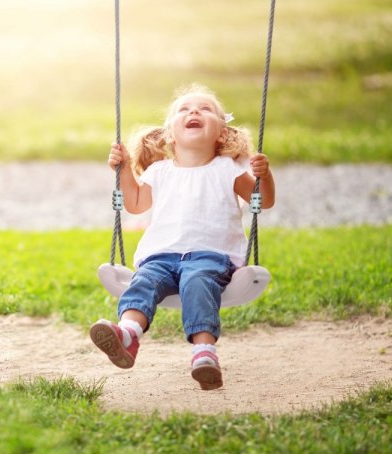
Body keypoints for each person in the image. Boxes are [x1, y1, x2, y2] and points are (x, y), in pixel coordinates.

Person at [90, 84, 275, 390]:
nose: (194, 111)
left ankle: (204, 354)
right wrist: (123, 169)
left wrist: (264, 177)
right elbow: (134, 203)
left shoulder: (227, 169)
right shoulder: (159, 171)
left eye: (205, 109)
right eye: (184, 109)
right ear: (169, 134)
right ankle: (127, 334)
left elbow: (262, 201)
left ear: (222, 133)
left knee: (198, 283)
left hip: (211, 256)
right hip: (160, 256)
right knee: (143, 282)